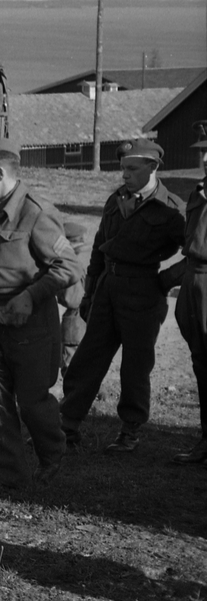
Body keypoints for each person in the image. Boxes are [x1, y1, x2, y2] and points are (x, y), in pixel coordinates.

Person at [0, 138, 82, 488]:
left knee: (33, 401)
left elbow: (69, 267)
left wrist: (32, 295)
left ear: (0, 172)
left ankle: (53, 458)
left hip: (30, 323)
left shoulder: (36, 211)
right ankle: (11, 474)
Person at [60, 139, 186, 453]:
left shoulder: (171, 209)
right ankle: (66, 427)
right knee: (87, 359)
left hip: (143, 292)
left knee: (135, 366)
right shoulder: (116, 199)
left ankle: (130, 431)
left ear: (153, 167)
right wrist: (90, 294)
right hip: (107, 288)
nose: (125, 175)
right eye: (123, 168)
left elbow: (196, 251)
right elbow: (99, 247)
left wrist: (165, 280)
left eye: (132, 169)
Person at [162, 120, 207, 465]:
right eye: (203, 152)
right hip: (193, 283)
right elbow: (191, 247)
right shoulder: (199, 191)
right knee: (200, 364)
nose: (205, 158)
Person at [58, 222, 93, 375]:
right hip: (77, 321)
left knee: (77, 369)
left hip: (78, 321)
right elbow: (71, 298)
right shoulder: (69, 266)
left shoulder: (72, 265)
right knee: (74, 370)